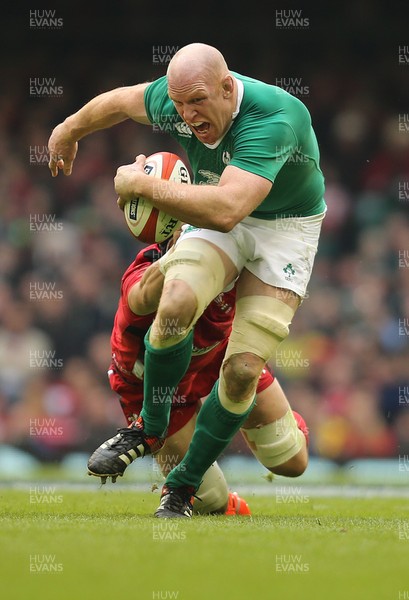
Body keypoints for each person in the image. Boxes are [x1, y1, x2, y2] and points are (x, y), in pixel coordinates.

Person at [48, 43, 325, 518]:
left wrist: (140, 185)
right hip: (219, 210)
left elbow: (227, 211)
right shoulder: (177, 101)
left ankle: (183, 476)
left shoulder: (274, 117)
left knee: (243, 375)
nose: (186, 115)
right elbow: (119, 102)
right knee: (175, 298)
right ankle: (152, 437)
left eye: (197, 102)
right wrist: (68, 129)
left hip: (282, 227)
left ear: (226, 86)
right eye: (177, 105)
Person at [87, 238, 309, 516]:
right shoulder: (146, 272)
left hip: (220, 355)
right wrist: (181, 257)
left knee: (290, 460)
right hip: (154, 387)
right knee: (210, 501)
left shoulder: (237, 251)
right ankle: (159, 440)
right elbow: (143, 298)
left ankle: (279, 417)